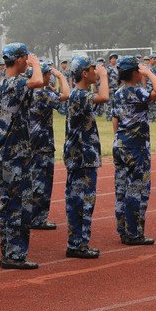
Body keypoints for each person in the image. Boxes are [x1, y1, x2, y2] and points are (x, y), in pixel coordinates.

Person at [0, 43, 44, 270]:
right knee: (18, 207)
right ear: (19, 60)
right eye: (26, 58)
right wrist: (36, 65)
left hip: (8, 153)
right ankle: (14, 255)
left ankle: (9, 251)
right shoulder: (15, 83)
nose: (29, 61)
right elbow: (38, 82)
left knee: (9, 205)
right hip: (13, 155)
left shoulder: (4, 83)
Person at [112, 56, 156, 245]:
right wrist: (149, 72)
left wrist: (120, 139)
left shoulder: (118, 92)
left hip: (120, 143)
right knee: (137, 189)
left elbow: (115, 120)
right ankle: (134, 233)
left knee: (121, 189)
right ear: (134, 73)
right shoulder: (136, 91)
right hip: (136, 147)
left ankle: (123, 230)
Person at [63, 56, 108, 259]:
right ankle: (77, 245)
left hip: (80, 156)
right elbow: (104, 97)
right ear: (84, 73)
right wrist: (104, 76)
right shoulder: (80, 95)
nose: (95, 72)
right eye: (92, 69)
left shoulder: (79, 95)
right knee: (82, 201)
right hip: (82, 157)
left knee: (78, 200)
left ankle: (78, 243)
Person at [28, 62, 70, 230]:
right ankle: (37, 218)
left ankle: (32, 216)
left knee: (32, 179)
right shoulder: (42, 93)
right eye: (48, 74)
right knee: (42, 181)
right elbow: (66, 95)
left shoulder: (29, 91)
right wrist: (61, 76)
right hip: (42, 143)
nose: (49, 76)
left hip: (30, 140)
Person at [105, 54, 119, 121]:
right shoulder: (108, 68)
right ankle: (108, 116)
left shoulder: (118, 67)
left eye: (115, 58)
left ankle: (116, 115)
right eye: (112, 58)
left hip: (117, 88)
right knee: (109, 103)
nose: (114, 60)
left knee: (117, 102)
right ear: (110, 59)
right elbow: (106, 78)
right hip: (111, 88)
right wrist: (107, 88)